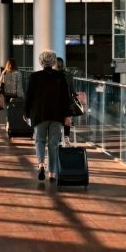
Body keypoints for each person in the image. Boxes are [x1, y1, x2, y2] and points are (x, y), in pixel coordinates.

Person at [24, 50, 72, 182]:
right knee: (53, 143)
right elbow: (66, 98)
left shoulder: (35, 76)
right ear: (54, 61)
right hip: (57, 115)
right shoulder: (61, 77)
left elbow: (29, 97)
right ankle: (52, 173)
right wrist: (67, 115)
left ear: (41, 62)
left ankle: (40, 164)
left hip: (39, 114)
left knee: (40, 140)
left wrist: (26, 112)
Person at [55, 56, 76, 143]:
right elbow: (72, 89)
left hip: (57, 100)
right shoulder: (69, 75)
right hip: (67, 100)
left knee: (58, 119)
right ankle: (66, 137)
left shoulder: (53, 75)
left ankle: (59, 138)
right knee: (67, 118)